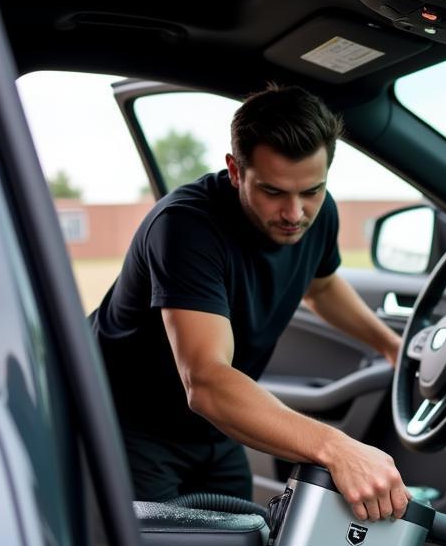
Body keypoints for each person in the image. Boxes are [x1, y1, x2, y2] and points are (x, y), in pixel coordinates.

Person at [91, 83, 410, 522]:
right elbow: (205, 379)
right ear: (236, 171)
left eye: (311, 191)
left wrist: (391, 345)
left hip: (215, 432)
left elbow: (321, 287)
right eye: (273, 192)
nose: (295, 213)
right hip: (129, 424)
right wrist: (335, 447)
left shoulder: (319, 212)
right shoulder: (185, 227)